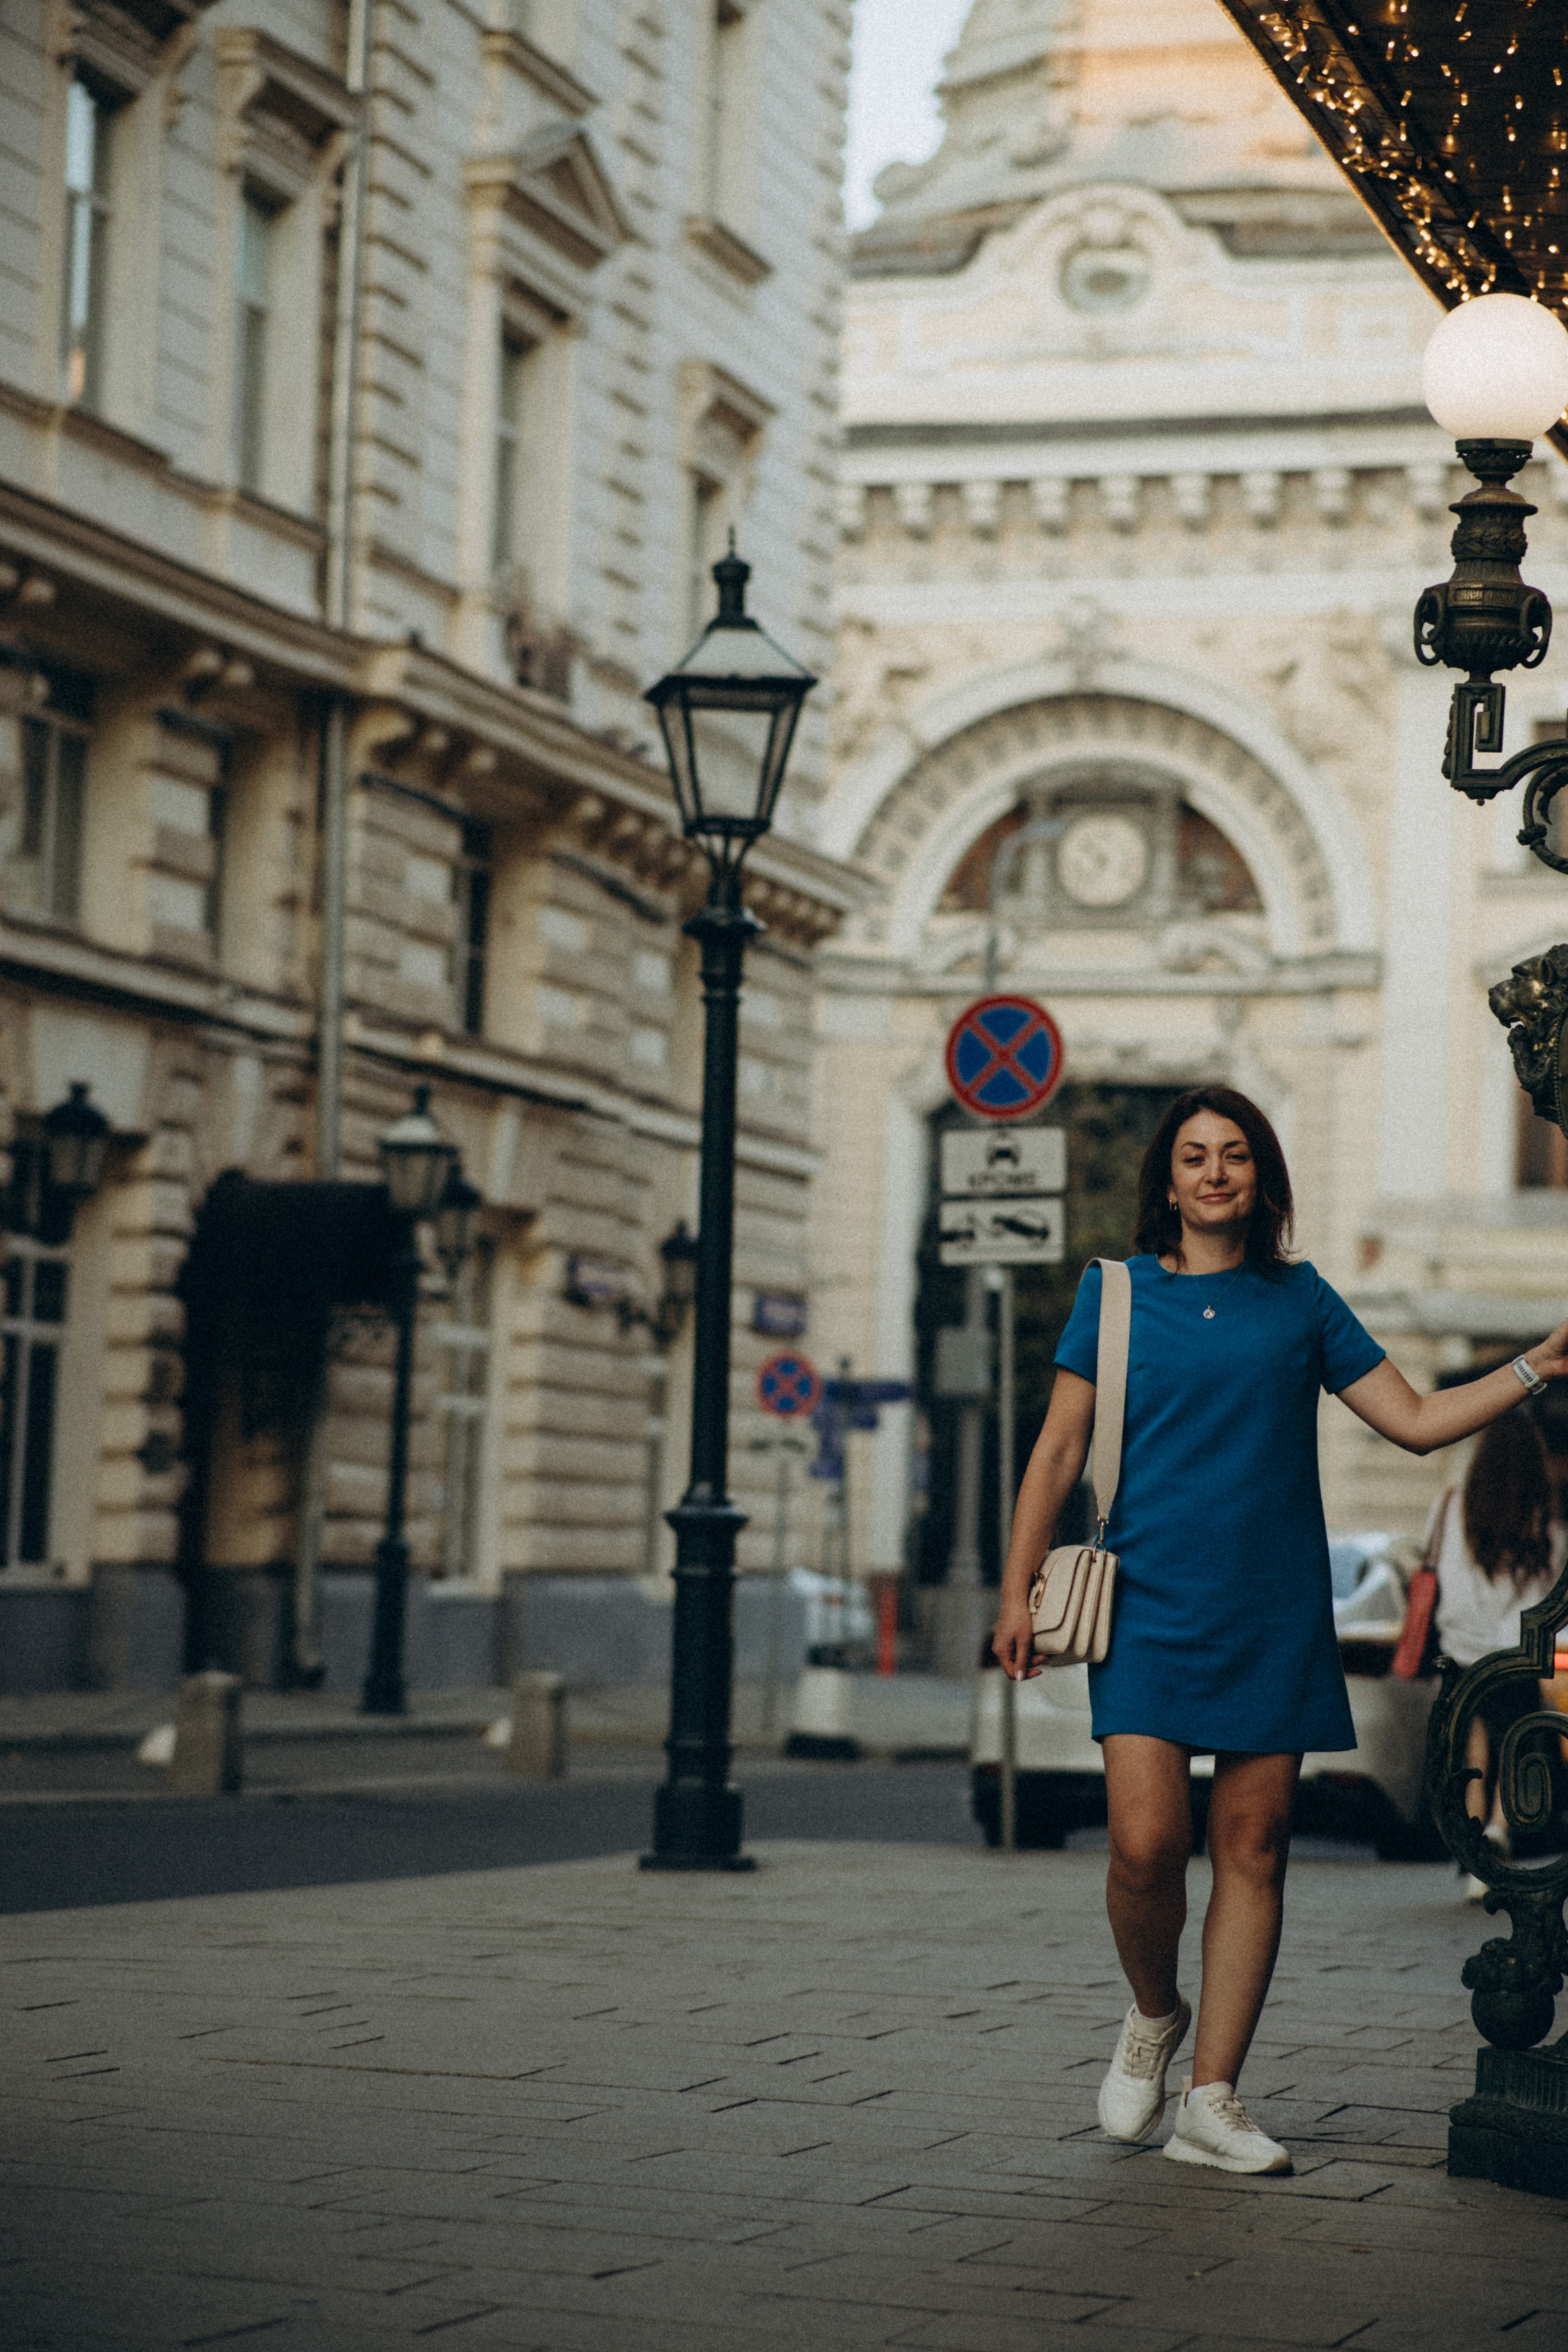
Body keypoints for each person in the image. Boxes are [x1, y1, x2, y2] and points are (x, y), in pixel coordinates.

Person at [992, 1085, 1568, 2177]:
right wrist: (1016, 1589)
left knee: (1253, 1847)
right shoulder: (1114, 1296)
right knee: (1145, 1841)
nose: (1217, 1173)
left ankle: (1213, 2100)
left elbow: (1411, 1422)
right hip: (1149, 1603)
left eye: (1239, 1156)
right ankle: (1155, 2012)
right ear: (1167, 1181)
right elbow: (1059, 1452)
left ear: (1264, 1180)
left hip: (1272, 1606)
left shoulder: (1302, 1301)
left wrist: (1538, 1361)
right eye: (1197, 1157)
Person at [1429, 1411, 1563, 1899]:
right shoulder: (1543, 1519)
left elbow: (1441, 1573)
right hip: (1517, 1650)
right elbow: (1552, 1593)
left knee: (1473, 1742)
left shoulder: (1453, 1507)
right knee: (1515, 1740)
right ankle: (1501, 1826)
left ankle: (1475, 1853)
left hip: (1461, 1649)